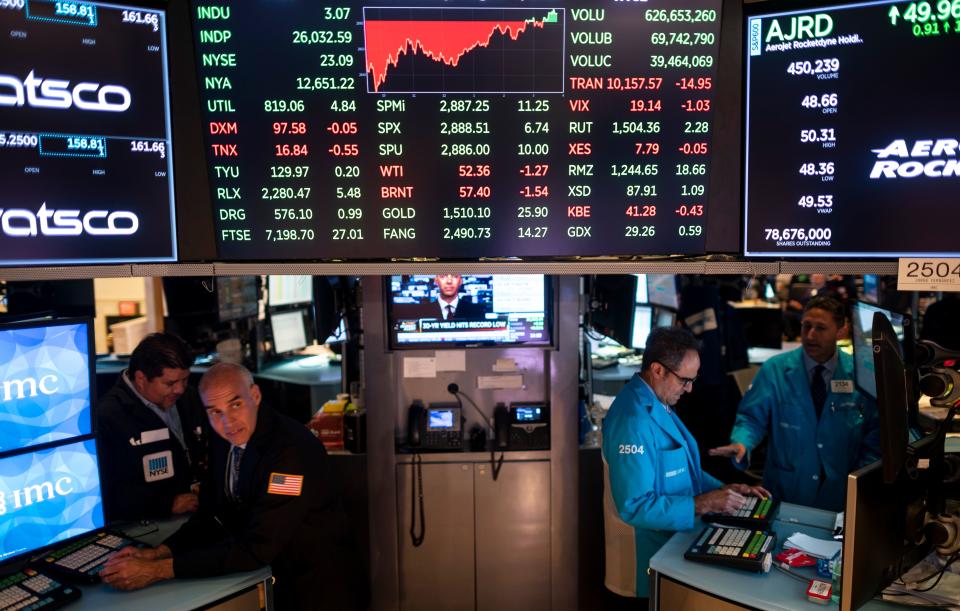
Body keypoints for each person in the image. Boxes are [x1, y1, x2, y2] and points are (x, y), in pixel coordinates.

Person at [101, 362, 363, 610]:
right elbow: (213, 514)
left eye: (235, 404)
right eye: (215, 411)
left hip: (315, 587)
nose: (227, 421)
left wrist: (158, 571)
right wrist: (160, 552)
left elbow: (257, 547)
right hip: (274, 578)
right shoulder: (226, 437)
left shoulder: (289, 453)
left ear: (255, 395)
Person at [601, 327, 768, 601]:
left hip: (672, 542)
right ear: (657, 370)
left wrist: (728, 491)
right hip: (646, 557)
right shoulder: (632, 422)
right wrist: (705, 503)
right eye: (684, 380)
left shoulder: (657, 400)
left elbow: (683, 471)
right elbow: (635, 506)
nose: (689, 389)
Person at [710, 296, 880, 512]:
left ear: (841, 332)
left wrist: (861, 479)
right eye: (806, 326)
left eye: (820, 328)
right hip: (787, 492)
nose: (810, 335)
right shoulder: (775, 369)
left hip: (841, 495)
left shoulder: (860, 373)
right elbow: (752, 418)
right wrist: (743, 442)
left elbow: (875, 434)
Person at [97, 333, 208, 522]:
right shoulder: (108, 417)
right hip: (148, 524)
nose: (180, 389)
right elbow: (103, 496)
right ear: (141, 379)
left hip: (197, 513)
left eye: (185, 379)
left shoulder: (187, 397)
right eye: (170, 383)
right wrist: (165, 504)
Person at [415, 273, 486, 320]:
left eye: (455, 276)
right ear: (436, 281)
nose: (449, 281)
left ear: (460, 281)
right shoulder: (421, 312)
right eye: (443, 276)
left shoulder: (476, 311)